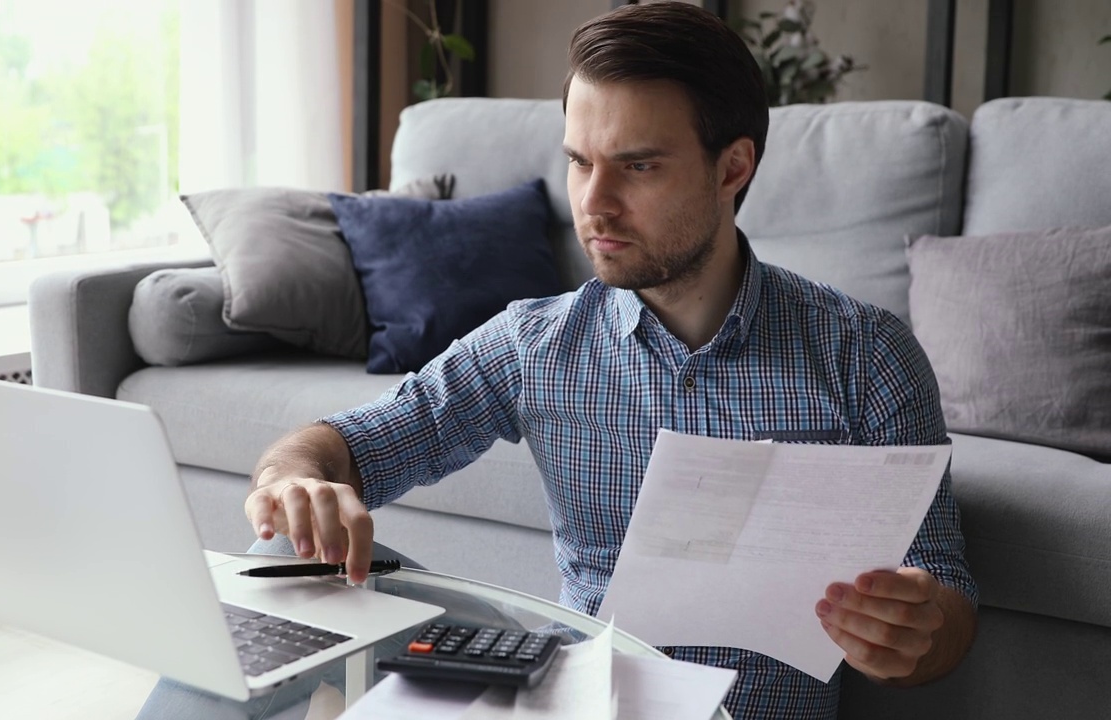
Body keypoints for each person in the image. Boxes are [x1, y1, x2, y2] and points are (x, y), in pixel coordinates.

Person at [244, 3, 977, 718]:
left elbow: (945, 598)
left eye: (638, 166)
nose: (593, 204)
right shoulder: (535, 345)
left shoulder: (866, 355)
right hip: (576, 702)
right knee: (277, 557)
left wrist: (916, 632)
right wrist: (294, 479)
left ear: (733, 168)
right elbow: (350, 444)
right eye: (578, 162)